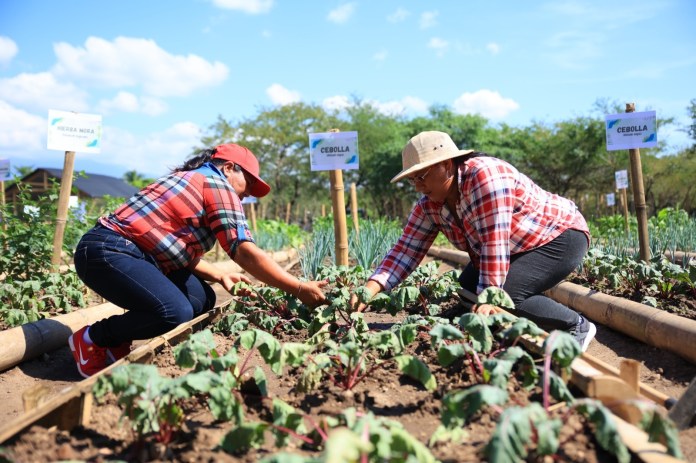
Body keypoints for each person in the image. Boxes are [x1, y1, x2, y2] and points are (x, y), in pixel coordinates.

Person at [69, 143, 328, 378]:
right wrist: (298, 287)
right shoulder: (217, 185)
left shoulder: (193, 180)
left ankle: (117, 339)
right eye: (246, 185)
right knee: (175, 312)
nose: (245, 196)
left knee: (200, 298)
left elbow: (173, 248)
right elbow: (244, 251)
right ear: (228, 168)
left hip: (132, 253)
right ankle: (94, 337)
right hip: (109, 252)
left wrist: (219, 275)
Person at [355, 131, 596, 351]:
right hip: (516, 247)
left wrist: (491, 295)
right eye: (412, 180)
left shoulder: (485, 177)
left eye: (422, 176)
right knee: (468, 289)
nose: (418, 186)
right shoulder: (430, 204)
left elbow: (495, 241)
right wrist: (369, 289)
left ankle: (575, 325)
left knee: (505, 296)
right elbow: (405, 251)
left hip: (559, 236)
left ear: (447, 164)